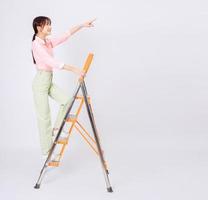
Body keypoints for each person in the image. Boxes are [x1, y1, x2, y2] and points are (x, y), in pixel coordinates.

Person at [31, 16, 96, 159]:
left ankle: (57, 128)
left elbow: (65, 36)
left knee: (67, 100)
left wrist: (82, 24)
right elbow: (50, 61)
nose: (50, 27)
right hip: (41, 81)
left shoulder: (47, 42)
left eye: (50, 24)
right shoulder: (36, 45)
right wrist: (74, 69)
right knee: (44, 117)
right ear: (39, 27)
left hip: (48, 80)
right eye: (47, 25)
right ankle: (46, 152)